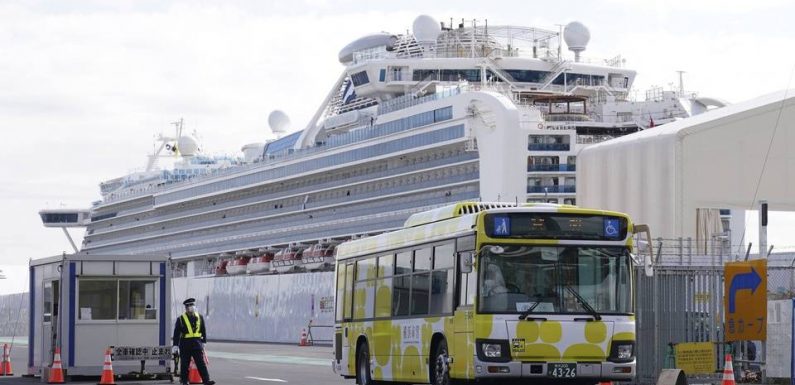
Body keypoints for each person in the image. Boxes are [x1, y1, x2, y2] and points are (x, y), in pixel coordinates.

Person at [172, 298, 214, 385]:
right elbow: (176, 333)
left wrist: (204, 341)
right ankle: (184, 381)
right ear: (186, 308)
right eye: (189, 306)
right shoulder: (181, 319)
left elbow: (203, 330)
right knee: (185, 364)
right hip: (185, 344)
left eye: (192, 305)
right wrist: (175, 345)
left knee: (201, 363)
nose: (191, 307)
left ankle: (206, 380)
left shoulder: (199, 317)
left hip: (197, 344)